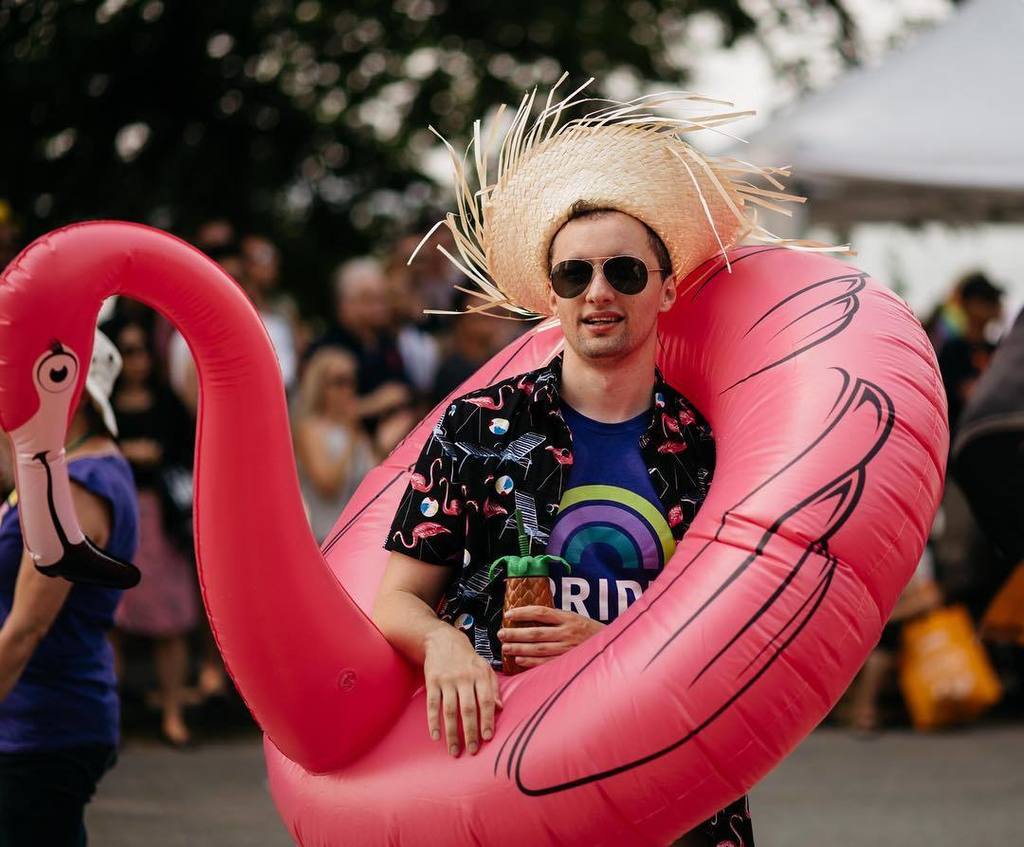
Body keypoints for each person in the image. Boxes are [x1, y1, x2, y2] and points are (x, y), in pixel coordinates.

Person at [370, 85, 802, 844]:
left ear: (666, 288)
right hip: (508, 790)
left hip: (676, 800)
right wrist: (442, 643)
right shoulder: (477, 426)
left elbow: (736, 634)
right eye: (575, 275)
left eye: (624, 272)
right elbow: (398, 599)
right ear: (553, 296)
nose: (599, 292)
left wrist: (604, 649)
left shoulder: (712, 452)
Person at [0, 329, 139, 845]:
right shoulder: (72, 470)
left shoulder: (79, 487)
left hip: (43, 726)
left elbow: (26, 630)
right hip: (41, 721)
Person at [105, 318, 200, 748]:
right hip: (113, 516)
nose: (137, 361)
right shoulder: (101, 405)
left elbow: (189, 450)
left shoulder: (167, 403)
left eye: (142, 350)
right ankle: (109, 718)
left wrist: (157, 457)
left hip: (160, 520)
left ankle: (173, 712)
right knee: (111, 621)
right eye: (127, 351)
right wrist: (122, 454)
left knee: (170, 621)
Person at [307, 257, 417, 452]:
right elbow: (317, 410)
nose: (380, 306)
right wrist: (376, 403)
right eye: (369, 299)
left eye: (383, 298)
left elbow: (406, 392)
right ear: (345, 304)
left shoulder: (386, 342)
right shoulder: (327, 349)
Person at [294, 348, 377, 543]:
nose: (348, 390)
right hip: (323, 539)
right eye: (340, 381)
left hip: (356, 538)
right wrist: (350, 435)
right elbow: (328, 485)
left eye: (352, 381)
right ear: (320, 386)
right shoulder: (310, 430)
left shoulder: (355, 429)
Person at [936, 272, 1004, 435]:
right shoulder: (951, 350)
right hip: (961, 436)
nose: (996, 305)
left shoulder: (998, 350)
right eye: (987, 299)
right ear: (970, 304)